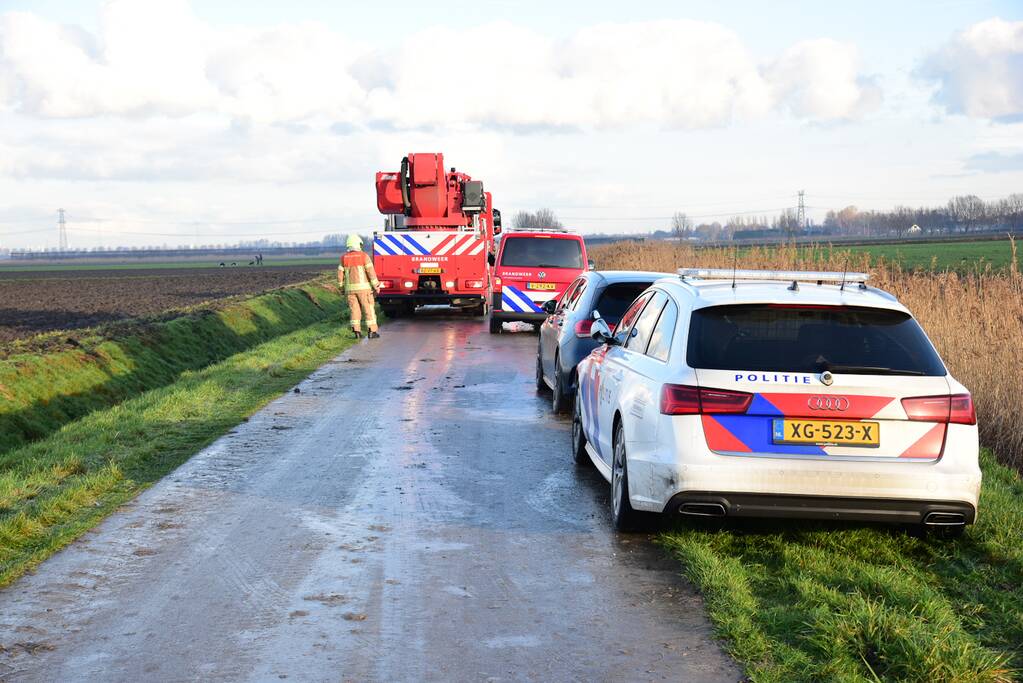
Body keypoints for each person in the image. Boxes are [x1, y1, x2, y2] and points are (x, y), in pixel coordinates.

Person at [339, 234, 380, 339]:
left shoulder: (344, 258)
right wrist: (376, 286)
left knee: (354, 310)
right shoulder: (364, 256)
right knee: (368, 309)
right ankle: (372, 331)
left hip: (350, 290)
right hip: (364, 290)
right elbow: (371, 272)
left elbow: (340, 275)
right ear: (358, 244)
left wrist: (341, 288)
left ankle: (356, 331)